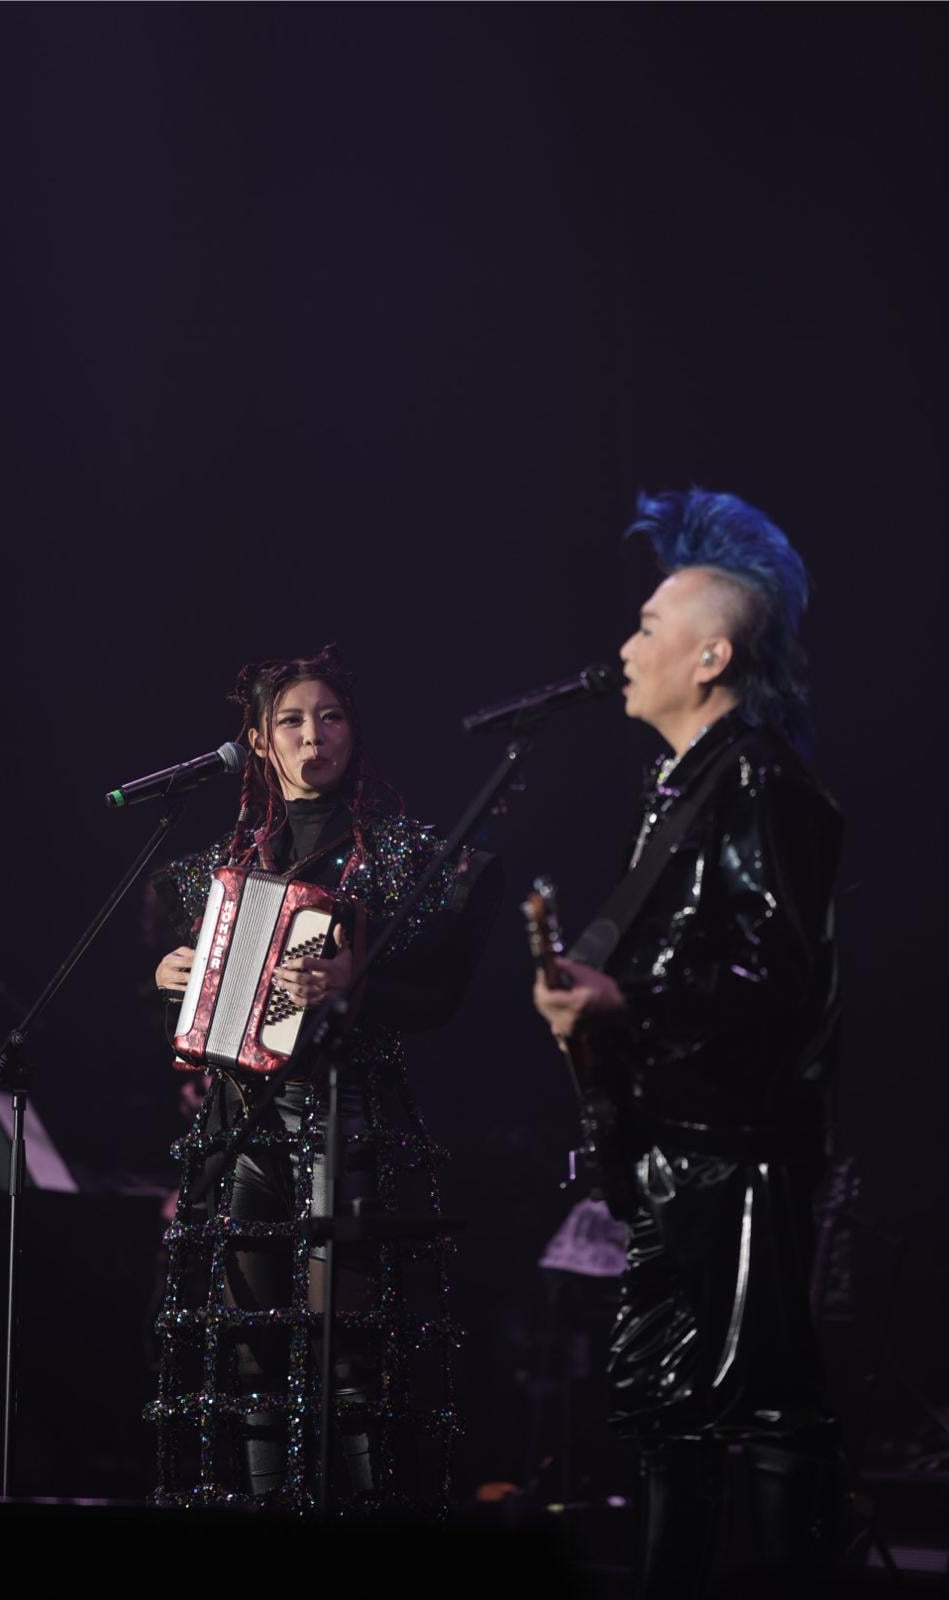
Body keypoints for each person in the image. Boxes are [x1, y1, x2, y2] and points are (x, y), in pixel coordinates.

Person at [532, 490, 842, 1594]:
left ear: (711, 657)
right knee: (671, 1408)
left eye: (648, 625)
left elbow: (781, 981)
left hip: (736, 1158)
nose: (624, 646)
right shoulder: (681, 788)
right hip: (680, 1152)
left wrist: (625, 1002)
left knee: (751, 1406)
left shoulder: (757, 779)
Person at [148, 643, 498, 1511]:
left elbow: (445, 996)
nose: (314, 736)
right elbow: (192, 1016)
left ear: (354, 729)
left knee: (351, 1348)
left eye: (331, 717)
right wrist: (170, 978)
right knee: (250, 1350)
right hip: (242, 1123)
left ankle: (365, 1521)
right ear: (259, 741)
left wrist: (357, 985)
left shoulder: (403, 855)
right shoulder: (216, 868)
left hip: (349, 1117)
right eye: (293, 721)